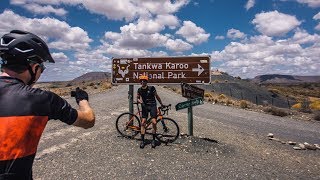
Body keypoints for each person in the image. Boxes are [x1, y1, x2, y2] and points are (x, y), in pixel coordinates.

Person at [0, 30, 95, 179]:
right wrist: (83, 100)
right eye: (42, 68)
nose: (41, 73)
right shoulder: (42, 99)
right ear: (33, 66)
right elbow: (88, 120)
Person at [137, 75, 164, 149]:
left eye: (144, 80)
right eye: (141, 81)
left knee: (154, 122)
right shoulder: (139, 90)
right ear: (140, 82)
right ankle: (142, 141)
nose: (143, 82)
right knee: (143, 123)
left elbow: (157, 96)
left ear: (146, 82)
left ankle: (153, 140)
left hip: (152, 106)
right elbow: (138, 98)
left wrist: (161, 104)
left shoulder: (152, 88)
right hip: (145, 106)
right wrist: (141, 102)